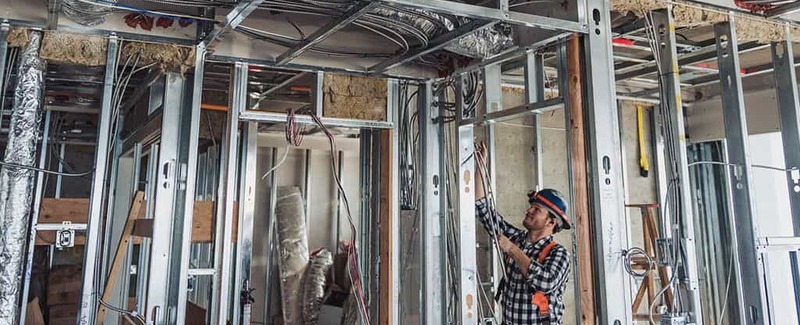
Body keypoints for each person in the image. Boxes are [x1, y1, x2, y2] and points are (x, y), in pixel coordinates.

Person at [474, 142, 571, 325]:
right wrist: (480, 166)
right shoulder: (516, 237)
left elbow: (545, 282)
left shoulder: (558, 253)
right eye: (531, 206)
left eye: (537, 209)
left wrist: (512, 249)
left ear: (551, 222)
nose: (529, 211)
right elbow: (483, 209)